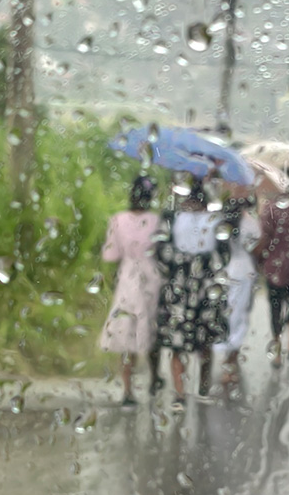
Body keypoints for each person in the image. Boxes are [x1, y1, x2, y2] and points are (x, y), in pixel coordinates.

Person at [155, 179, 230, 410]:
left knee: (178, 341)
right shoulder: (216, 221)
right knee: (205, 338)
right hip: (206, 286)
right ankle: (203, 386)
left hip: (180, 284)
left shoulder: (172, 218)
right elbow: (224, 255)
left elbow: (162, 253)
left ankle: (179, 392)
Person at [99, 175, 162, 407]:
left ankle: (127, 389)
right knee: (151, 325)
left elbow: (111, 255)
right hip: (151, 276)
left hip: (127, 277)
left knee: (127, 331)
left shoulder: (118, 219)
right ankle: (155, 376)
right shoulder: (156, 220)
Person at [254, 172, 289, 367]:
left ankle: (277, 349)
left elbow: (264, 239)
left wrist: (259, 260)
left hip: (273, 266)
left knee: (275, 306)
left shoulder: (270, 210)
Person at [213, 193, 261, 383]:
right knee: (240, 317)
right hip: (245, 272)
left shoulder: (223, 222)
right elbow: (257, 248)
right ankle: (231, 362)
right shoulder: (250, 223)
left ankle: (227, 358)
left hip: (227, 271)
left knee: (227, 314)